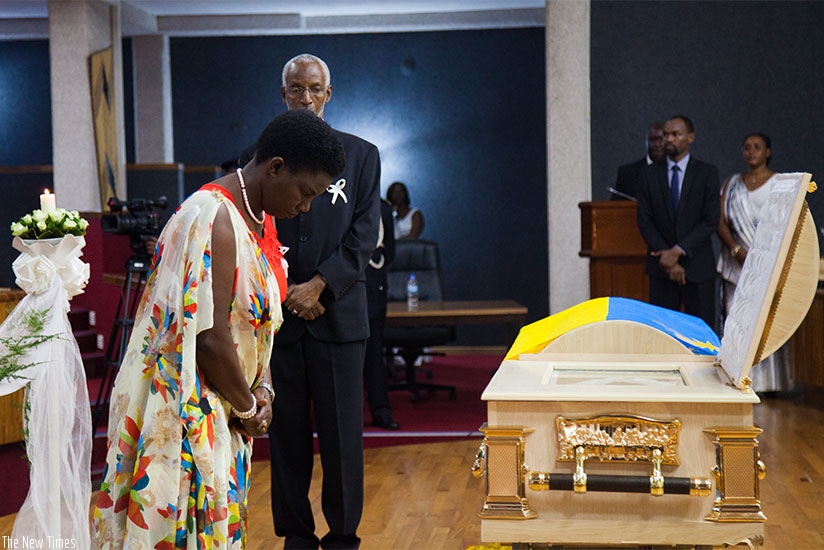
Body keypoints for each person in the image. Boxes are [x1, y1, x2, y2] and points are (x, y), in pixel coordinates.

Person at [91, 109, 346, 548]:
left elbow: (256, 323)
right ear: (276, 167)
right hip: (188, 409)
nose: (304, 207)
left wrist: (262, 389)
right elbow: (208, 336)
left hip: (227, 404)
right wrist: (250, 407)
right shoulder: (213, 217)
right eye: (305, 194)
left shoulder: (258, 216)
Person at [242, 53, 380, 549]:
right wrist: (285, 292)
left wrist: (319, 285)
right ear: (283, 95)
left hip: (338, 316)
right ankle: (296, 536)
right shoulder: (257, 157)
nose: (305, 97)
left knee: (343, 439)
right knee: (287, 438)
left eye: (314, 89)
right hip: (279, 319)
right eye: (296, 89)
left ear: (328, 95)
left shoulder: (361, 155)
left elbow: (365, 236)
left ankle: (343, 537)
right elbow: (252, 235)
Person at [717, 132, 791, 392]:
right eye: (746, 147)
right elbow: (720, 220)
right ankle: (740, 377)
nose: (751, 152)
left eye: (757, 147)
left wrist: (765, 256)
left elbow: (788, 222)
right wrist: (737, 250)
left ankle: (769, 383)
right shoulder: (732, 183)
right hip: (736, 266)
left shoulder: (782, 184)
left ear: (768, 152)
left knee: (765, 323)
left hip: (768, 265)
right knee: (739, 321)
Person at [636, 114, 721, 331]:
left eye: (676, 134)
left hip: (697, 267)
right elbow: (644, 221)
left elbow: (710, 220)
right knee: (662, 336)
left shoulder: (707, 173)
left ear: (690, 137)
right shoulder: (648, 174)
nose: (669, 139)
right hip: (661, 268)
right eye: (666, 135)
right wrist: (668, 257)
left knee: (701, 336)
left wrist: (678, 251)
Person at [364, 198, 399, 430]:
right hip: (338, 290)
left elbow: (390, 252)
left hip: (373, 287)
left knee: (374, 356)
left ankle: (380, 411)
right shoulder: (338, 200)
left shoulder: (382, 208)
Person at [611, 121, 666, 200]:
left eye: (661, 140)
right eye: (653, 140)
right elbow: (616, 207)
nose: (657, 144)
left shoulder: (676, 171)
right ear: (646, 142)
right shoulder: (627, 173)